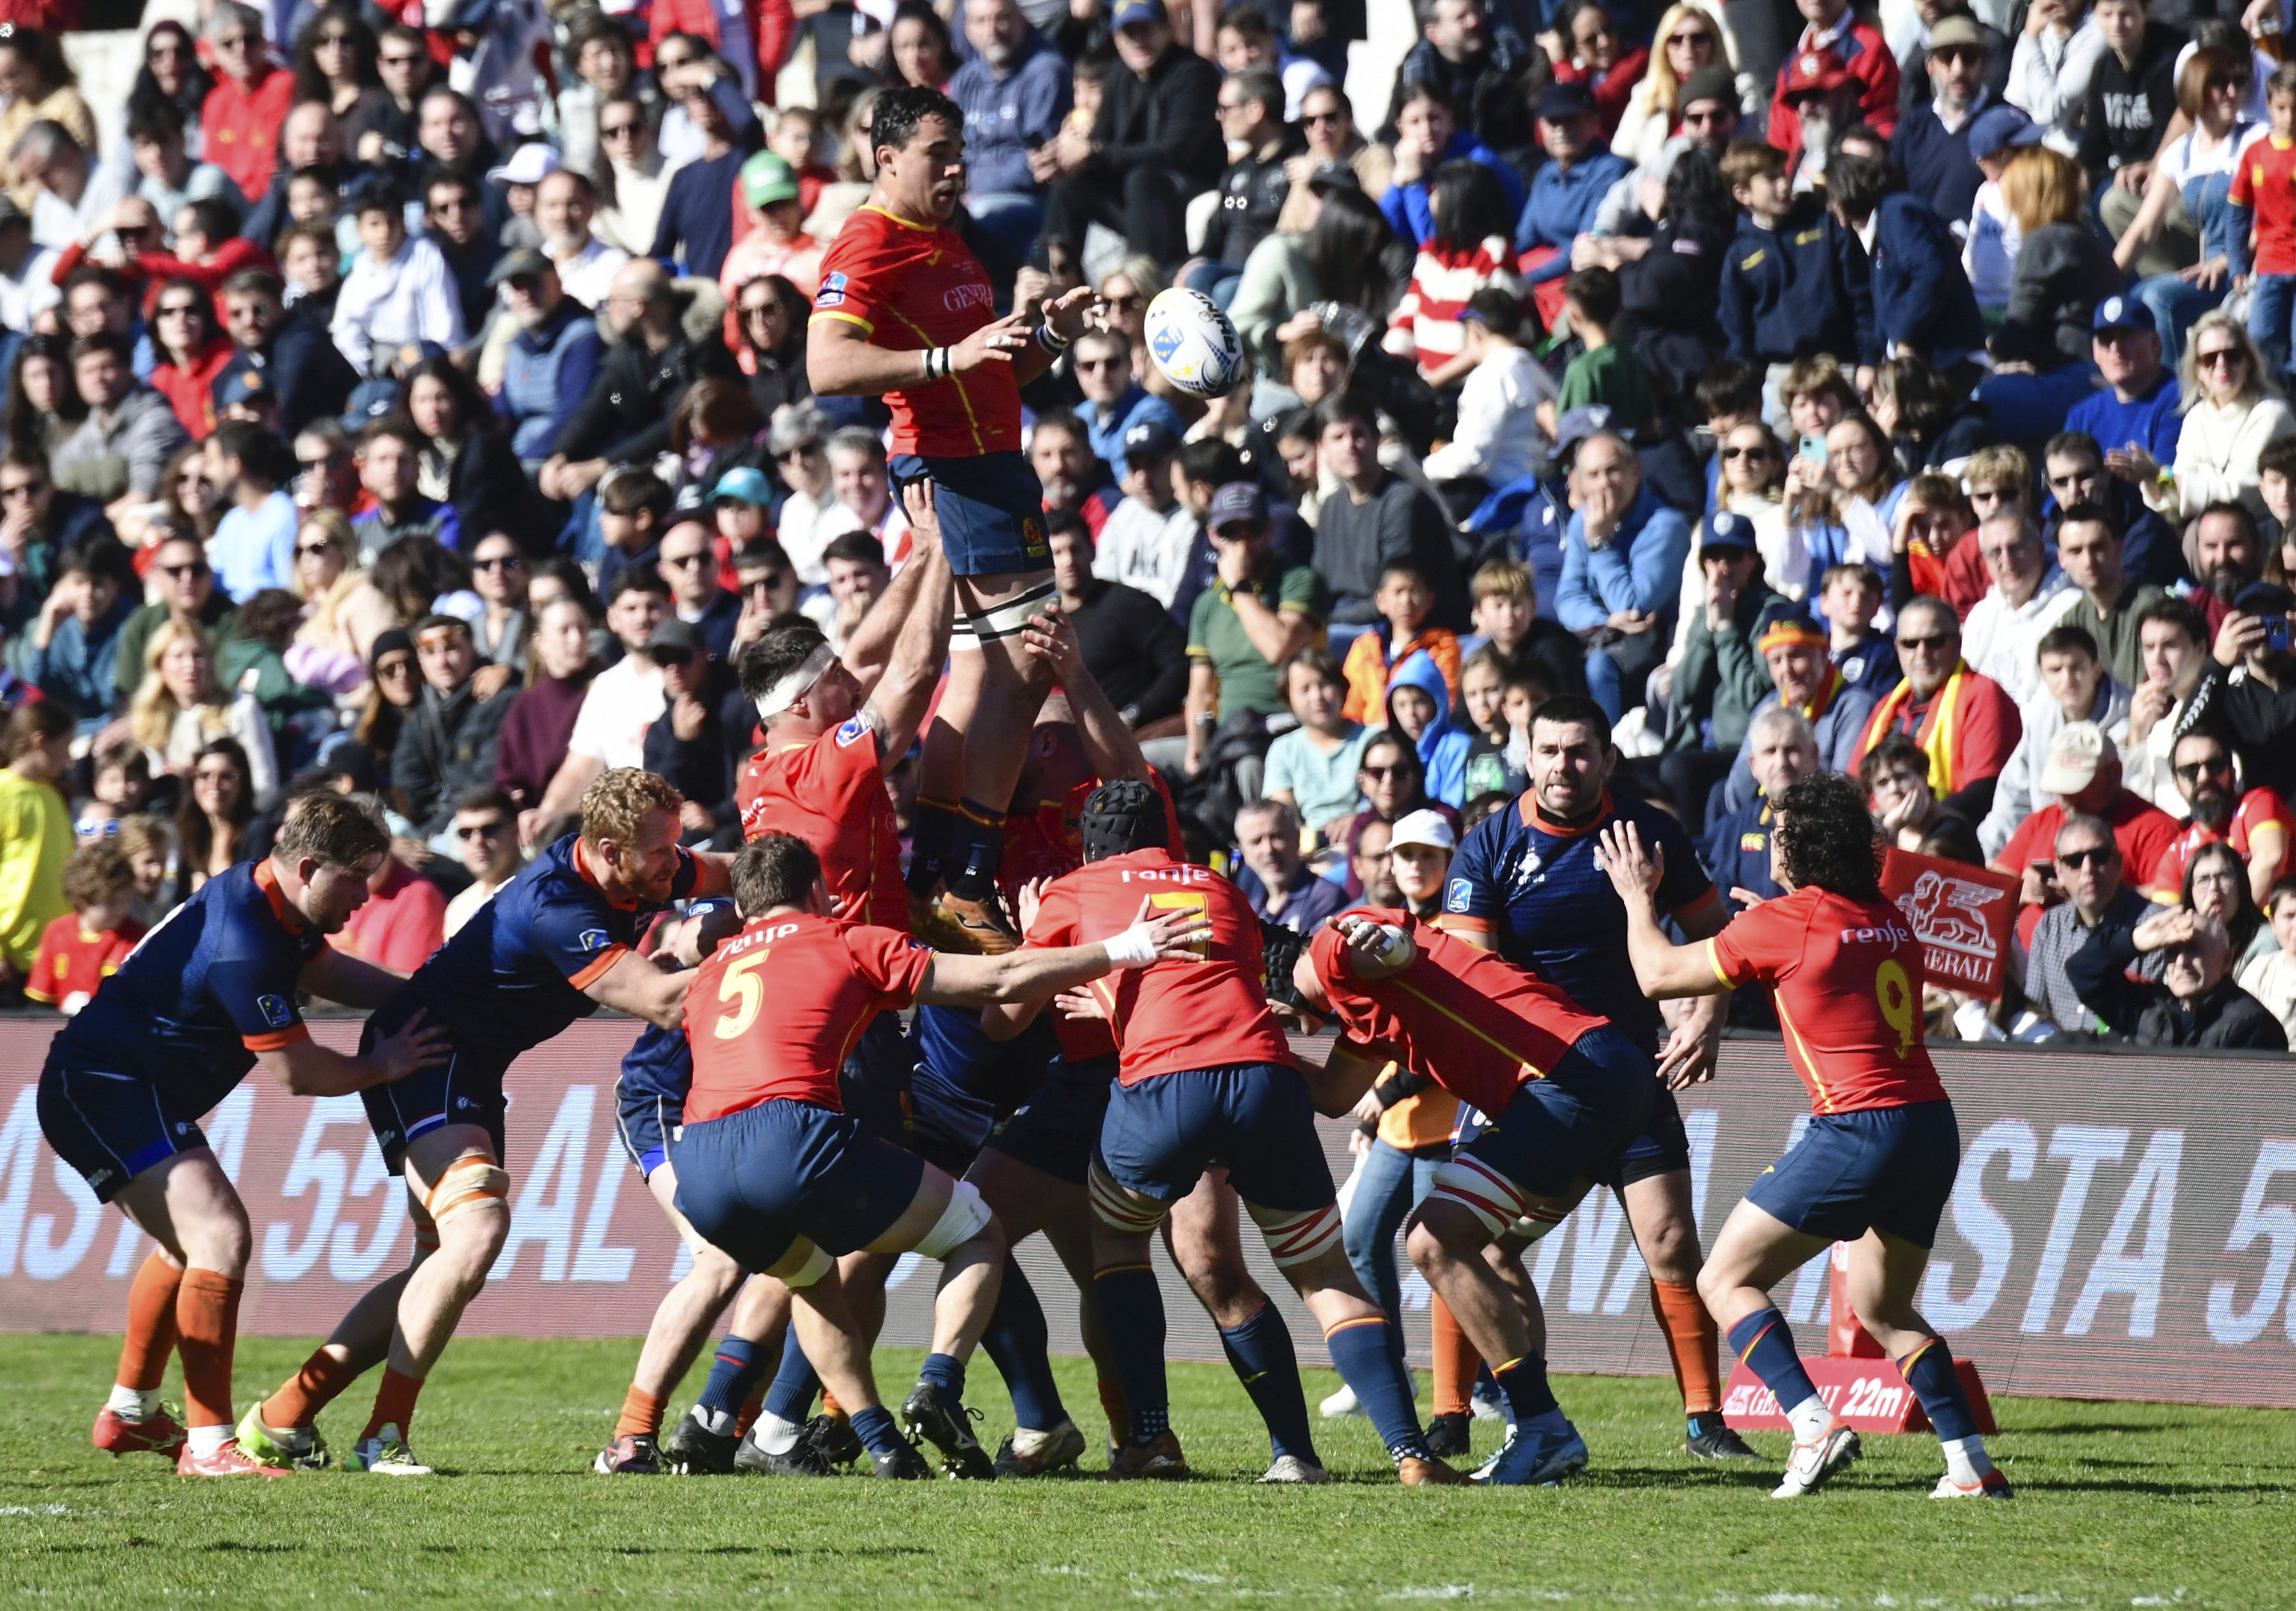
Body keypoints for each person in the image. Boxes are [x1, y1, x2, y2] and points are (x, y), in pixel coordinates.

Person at [235, 771, 738, 1477]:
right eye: (661, 850)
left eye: (675, 844)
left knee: (436, 1262)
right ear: (608, 848)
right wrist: (756, 947)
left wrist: (790, 879)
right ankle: (383, 1434)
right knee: (478, 1230)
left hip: (467, 1065)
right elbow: (658, 1002)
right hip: (428, 1055)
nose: (674, 860)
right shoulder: (558, 906)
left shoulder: (638, 863)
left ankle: (282, 1416)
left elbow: (732, 869)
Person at [673, 827, 1203, 1479]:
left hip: (696, 1158)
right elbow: (1001, 978)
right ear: (816, 888)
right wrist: (1126, 946)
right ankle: (938, 1385)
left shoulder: (712, 969)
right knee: (977, 1228)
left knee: (812, 1278)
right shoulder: (845, 938)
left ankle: (775, 1424)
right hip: (797, 1132)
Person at [987, 777, 1457, 1485]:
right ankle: (1401, 1452)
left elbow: (1000, 1020)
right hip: (1264, 1075)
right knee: (1326, 1272)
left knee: (1116, 1243)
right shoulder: (1218, 885)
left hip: (1163, 1083)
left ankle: (1146, 1437)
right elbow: (1220, 982)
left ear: (1090, 840)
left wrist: (1038, 944)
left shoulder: (1076, 888)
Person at [1597, 771, 2008, 1497]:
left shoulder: (1789, 922)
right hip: (1930, 1125)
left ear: (1798, 847)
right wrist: (1771, 923)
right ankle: (1969, 1463)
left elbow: (1657, 974)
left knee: (1723, 1279)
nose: (1770, 844)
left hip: (1857, 1126)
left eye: (1779, 833)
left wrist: (1636, 896)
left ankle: (1813, 1424)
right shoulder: (1883, 912)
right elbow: (1823, 957)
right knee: (1884, 1308)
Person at [35, 794, 445, 1476]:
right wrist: (383, 1063)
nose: (363, 899)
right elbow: (298, 1071)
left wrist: (413, 992)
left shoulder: (272, 896)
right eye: (353, 880)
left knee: (188, 1243)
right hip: (102, 1086)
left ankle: (132, 1414)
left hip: (126, 1084)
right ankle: (209, 1446)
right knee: (220, 1235)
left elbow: (320, 969)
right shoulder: (244, 939)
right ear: (310, 866)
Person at [809, 87, 1112, 952]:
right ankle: (966, 876)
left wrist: (1044, 341)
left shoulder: (947, 238)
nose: (954, 169)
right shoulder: (867, 239)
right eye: (936, 153)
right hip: (956, 469)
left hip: (992, 462)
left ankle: (939, 870)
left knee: (982, 679)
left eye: (960, 154)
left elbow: (985, 374)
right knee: (1024, 672)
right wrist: (948, 356)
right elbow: (825, 364)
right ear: (886, 156)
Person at [1439, 697, 1758, 1461]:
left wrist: (1708, 1019)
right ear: (1526, 755)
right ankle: (1456, 1413)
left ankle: (1704, 1422)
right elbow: (1471, 982)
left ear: (1608, 759)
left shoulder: (1651, 834)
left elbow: (1723, 940)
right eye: (1548, 750)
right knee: (1466, 1238)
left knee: (1673, 1243)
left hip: (1633, 1075)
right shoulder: (1488, 846)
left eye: (1579, 751)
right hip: (1531, 1082)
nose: (1562, 766)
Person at [1294, 895, 1654, 1483]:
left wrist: (1381, 944)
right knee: (1488, 1248)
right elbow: (1333, 1096)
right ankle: (1533, 1428)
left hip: (1564, 1079)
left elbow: (1382, 939)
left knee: (1434, 1240)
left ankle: (1541, 1425)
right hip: (1605, 1071)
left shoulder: (1332, 950)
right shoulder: (1365, 1010)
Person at [1034, 1, 1222, 271]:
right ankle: (1058, 275)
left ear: (1167, 29)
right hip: (1137, 201)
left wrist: (1094, 152)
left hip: (1184, 190)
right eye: (1129, 32)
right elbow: (1100, 142)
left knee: (1142, 179)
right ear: (1116, 38)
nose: (1138, 41)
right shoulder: (1119, 74)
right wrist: (1063, 158)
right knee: (1070, 187)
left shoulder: (1194, 73)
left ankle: (1142, 283)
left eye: (1146, 29)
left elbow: (1176, 152)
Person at [2111, 46, 2264, 362]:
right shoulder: (2182, 153)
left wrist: (2224, 261)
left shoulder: (2256, 140)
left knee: (2158, 298)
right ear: (2196, 87)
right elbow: (2143, 229)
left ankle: (2173, 396)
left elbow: (2275, 220)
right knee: (2134, 299)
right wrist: (2105, 279)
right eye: (2220, 82)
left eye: (2241, 81)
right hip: (2209, 273)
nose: (2232, 91)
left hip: (2246, 271)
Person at [1555, 428, 1692, 721]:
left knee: (1599, 666)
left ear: (1635, 471)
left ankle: (1609, 755)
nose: (1604, 483)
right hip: (1604, 630)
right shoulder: (1583, 520)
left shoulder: (1666, 526)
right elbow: (1567, 598)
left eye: (1613, 471)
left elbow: (1632, 607)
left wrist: (1601, 545)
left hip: (1655, 637)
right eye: (1593, 475)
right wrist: (1604, 621)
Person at [1852, 594, 2023, 822]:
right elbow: (1855, 783)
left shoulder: (1981, 693)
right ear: (1898, 648)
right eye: (1910, 644)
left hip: (1951, 837)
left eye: (1935, 642)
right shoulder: (1886, 706)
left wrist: (1917, 825)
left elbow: (1985, 791)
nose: (1922, 653)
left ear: (1958, 643)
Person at [1716, 138, 1876, 372]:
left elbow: (1862, 295)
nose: (1784, 185)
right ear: (1742, 193)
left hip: (1840, 364)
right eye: (1771, 178)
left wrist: (1869, 360)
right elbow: (1737, 330)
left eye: (1783, 174)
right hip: (1779, 374)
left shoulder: (1825, 224)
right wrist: (1750, 384)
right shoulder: (1739, 255)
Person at [2067, 900, 2289, 1047]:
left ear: (2226, 959)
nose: (2181, 962)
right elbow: (2083, 972)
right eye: (2172, 951)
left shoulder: (2253, 1024)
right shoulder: (2152, 1008)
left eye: (2194, 949)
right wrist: (2134, 940)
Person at [948, 0, 1070, 261]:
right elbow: (955, 149)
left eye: (1001, 18)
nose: (992, 30)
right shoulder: (964, 80)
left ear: (1021, 21)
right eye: (981, 21)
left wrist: (976, 189)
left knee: (981, 216)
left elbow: (1037, 162)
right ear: (968, 29)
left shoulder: (1046, 72)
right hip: (970, 197)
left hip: (1027, 201)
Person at [1045, 514, 1188, 731]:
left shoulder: (1129, 604)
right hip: (1078, 740)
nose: (1068, 561)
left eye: (1075, 549)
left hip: (1143, 734)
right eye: (1057, 553)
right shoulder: (1048, 620)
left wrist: (1134, 715)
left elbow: (1180, 664)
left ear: (1093, 550)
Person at [1719, 615, 1877, 811]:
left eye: (1795, 656)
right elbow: (1737, 792)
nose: (1787, 670)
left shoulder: (1853, 706)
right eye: (1776, 661)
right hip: (1768, 818)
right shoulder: (1769, 705)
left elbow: (1843, 792)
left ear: (1823, 655)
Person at [2149, 727, 2293, 905]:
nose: (2204, 777)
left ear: (2232, 774)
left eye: (2215, 766)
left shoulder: (2259, 804)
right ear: (2176, 784)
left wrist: (2229, 927)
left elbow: (2271, 859)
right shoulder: (2177, 854)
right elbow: (2166, 914)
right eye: (2190, 770)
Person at [2181, 579, 2296, 797]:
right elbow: (2184, 737)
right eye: (2250, 621)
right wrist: (2217, 664)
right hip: (2257, 820)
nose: (2260, 628)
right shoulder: (2229, 699)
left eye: (2270, 618)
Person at [493, 249, 602, 470]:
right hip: (519, 458)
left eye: (534, 283)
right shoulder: (518, 346)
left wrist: (517, 466)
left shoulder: (582, 338)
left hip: (561, 460)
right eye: (518, 287)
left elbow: (573, 418)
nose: (526, 294)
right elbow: (501, 415)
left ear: (557, 283)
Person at [1265, 647, 1375, 844]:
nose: (1317, 697)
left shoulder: (1373, 739)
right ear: (1288, 697)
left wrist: (1360, 821)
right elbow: (1283, 814)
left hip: (1366, 837)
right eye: (1304, 689)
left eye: (1324, 684)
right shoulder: (1283, 750)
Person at [1891, 15, 1993, 229]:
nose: (1958, 70)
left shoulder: (2008, 123)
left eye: (1969, 57)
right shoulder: (1912, 126)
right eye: (1947, 57)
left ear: (1985, 66)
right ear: (1930, 67)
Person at [199, 2, 297, 206]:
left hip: (268, 200)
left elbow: (271, 166)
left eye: (249, 40)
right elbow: (213, 167)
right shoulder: (216, 101)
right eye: (228, 44)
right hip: (224, 205)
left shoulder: (283, 85)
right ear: (214, 51)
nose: (241, 50)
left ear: (264, 42)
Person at [1234, 798, 1346, 933]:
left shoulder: (1324, 897)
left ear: (1297, 838)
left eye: (1276, 837)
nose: (1268, 849)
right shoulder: (1249, 908)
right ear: (1243, 852)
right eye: (1256, 841)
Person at [440, 786, 517, 937]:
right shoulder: (458, 909)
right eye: (466, 833)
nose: (478, 841)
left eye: (490, 830)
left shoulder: (542, 887)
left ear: (516, 830)